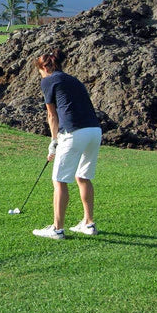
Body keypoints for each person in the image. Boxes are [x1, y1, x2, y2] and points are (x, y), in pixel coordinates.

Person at [32, 49, 102, 239]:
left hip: (73, 132)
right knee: (83, 177)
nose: (40, 74)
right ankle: (88, 223)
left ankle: (57, 229)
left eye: (39, 70)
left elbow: (51, 115)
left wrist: (54, 141)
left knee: (60, 181)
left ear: (45, 67)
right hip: (94, 131)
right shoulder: (73, 80)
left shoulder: (48, 80)